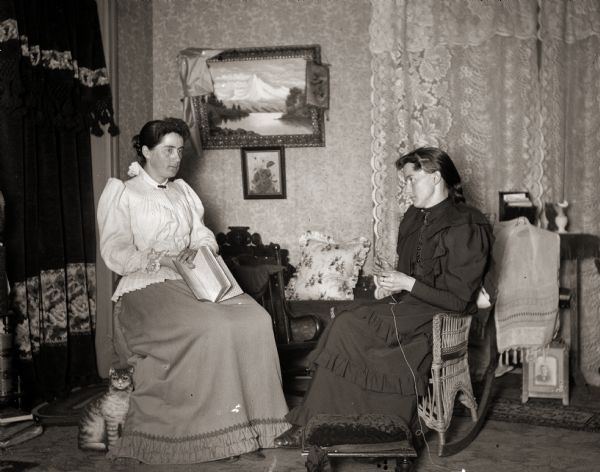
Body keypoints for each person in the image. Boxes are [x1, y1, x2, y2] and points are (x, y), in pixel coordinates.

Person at [96, 118, 290, 463]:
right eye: (167, 150)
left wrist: (197, 249)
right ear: (145, 151)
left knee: (256, 320)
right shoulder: (124, 192)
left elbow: (201, 234)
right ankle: (212, 432)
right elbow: (116, 251)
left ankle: (262, 426)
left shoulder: (183, 191)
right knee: (214, 327)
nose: (175, 158)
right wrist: (162, 259)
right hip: (146, 284)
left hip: (195, 275)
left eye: (179, 151)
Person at [275, 147, 493, 447]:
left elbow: (459, 300)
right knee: (348, 319)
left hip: (441, 316)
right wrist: (392, 284)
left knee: (349, 327)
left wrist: (407, 283)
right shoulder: (414, 218)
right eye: (404, 181)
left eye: (411, 179)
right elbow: (407, 276)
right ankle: (323, 422)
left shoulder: (466, 224)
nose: (405, 188)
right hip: (409, 306)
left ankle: (323, 424)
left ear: (436, 177)